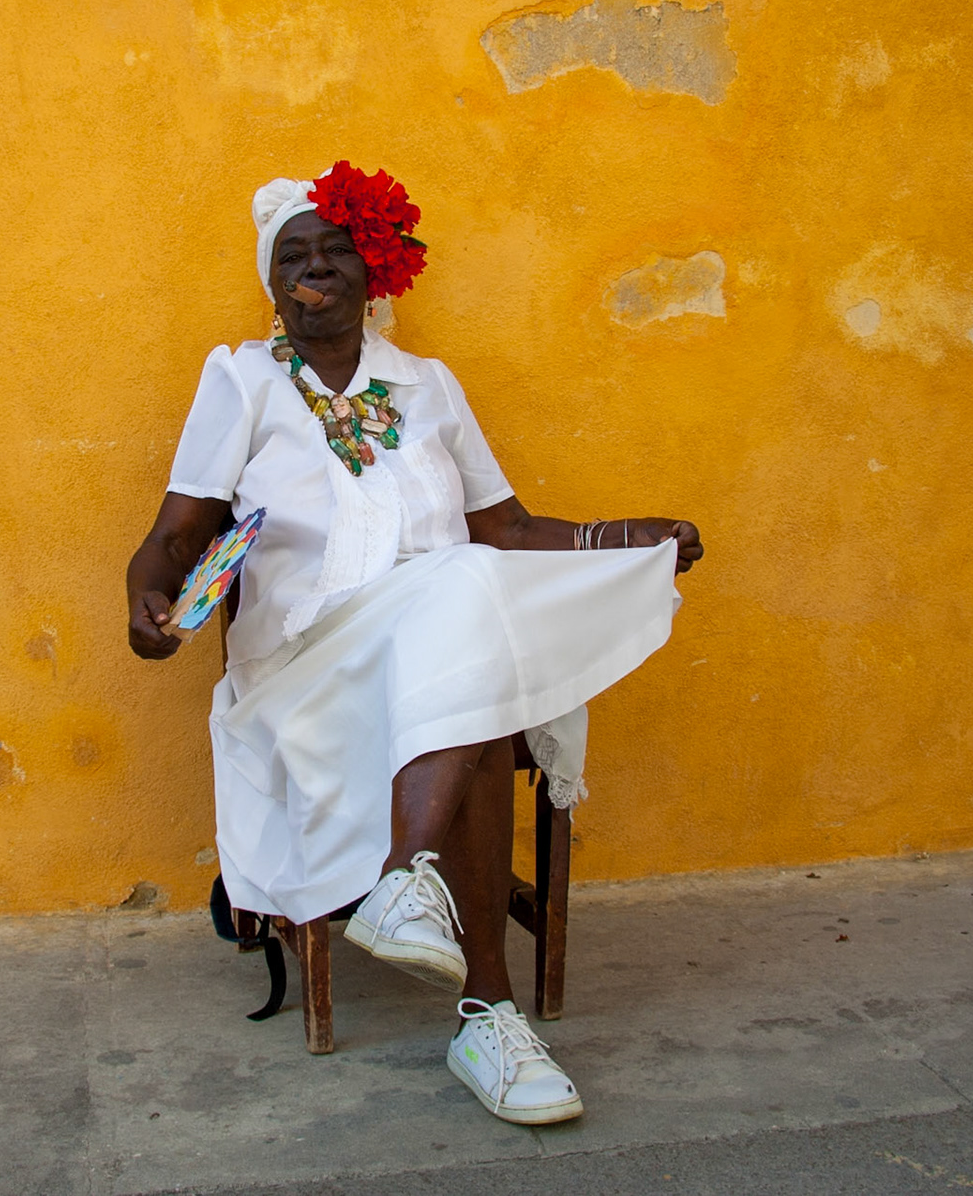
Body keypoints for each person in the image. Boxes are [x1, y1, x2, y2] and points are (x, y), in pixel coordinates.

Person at [126, 162, 703, 1124]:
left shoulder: (428, 387)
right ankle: (476, 990)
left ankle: (468, 981)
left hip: (437, 660)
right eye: (291, 258)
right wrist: (146, 603)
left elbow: (508, 530)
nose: (314, 271)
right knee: (471, 614)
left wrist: (626, 535)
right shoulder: (243, 383)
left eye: (333, 250)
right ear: (272, 285)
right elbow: (179, 531)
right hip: (309, 673)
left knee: (467, 632)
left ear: (373, 269)